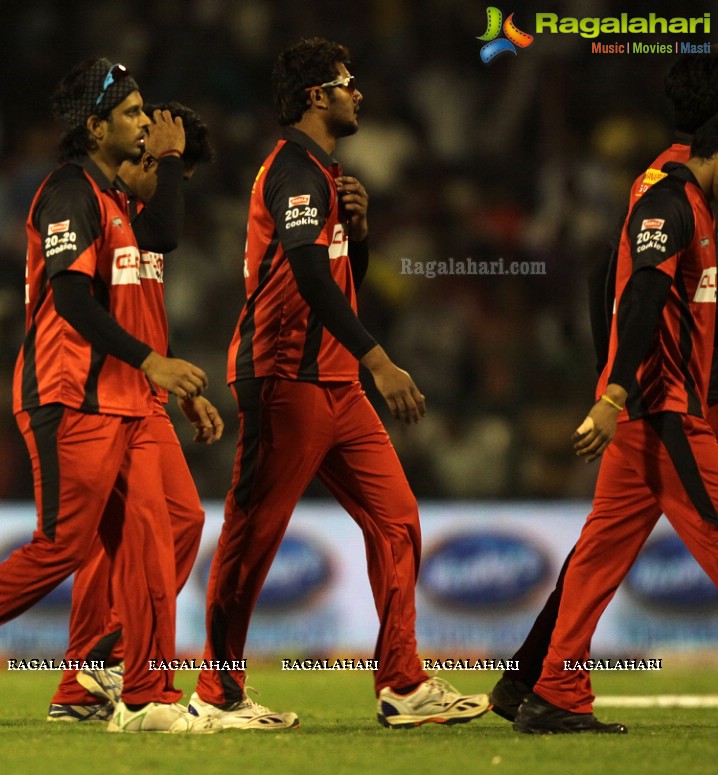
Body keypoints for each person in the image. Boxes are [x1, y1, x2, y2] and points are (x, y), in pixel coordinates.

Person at [0, 58, 218, 734]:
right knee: (61, 546)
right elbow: (69, 298)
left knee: (172, 527)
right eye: (132, 113)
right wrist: (153, 360)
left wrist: (162, 371)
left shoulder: (125, 201)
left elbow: (159, 249)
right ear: (96, 128)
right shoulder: (69, 191)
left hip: (129, 397)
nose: (145, 124)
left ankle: (135, 688)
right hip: (70, 394)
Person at [188, 37, 491, 730]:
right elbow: (303, 273)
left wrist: (357, 234)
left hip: (335, 382)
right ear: (317, 95)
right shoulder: (294, 171)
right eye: (348, 82)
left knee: (397, 516)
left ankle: (403, 684)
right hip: (285, 378)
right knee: (253, 536)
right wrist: (379, 359)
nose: (360, 94)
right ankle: (216, 692)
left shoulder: (324, 176)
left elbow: (333, 270)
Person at [490, 52, 718, 722]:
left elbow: (602, 276)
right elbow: (641, 291)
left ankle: (554, 688)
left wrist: (613, 378)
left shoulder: (667, 193)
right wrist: (616, 390)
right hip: (665, 411)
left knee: (596, 557)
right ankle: (548, 684)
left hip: (648, 410)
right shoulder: (672, 201)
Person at [46, 102, 224, 723]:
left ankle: (96, 664)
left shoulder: (134, 215)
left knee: (179, 521)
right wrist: (169, 163)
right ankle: (97, 672)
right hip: (100, 391)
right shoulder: (102, 204)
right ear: (146, 158)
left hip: (145, 388)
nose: (174, 193)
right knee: (118, 539)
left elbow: (143, 303)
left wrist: (179, 381)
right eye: (170, 175)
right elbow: (91, 295)